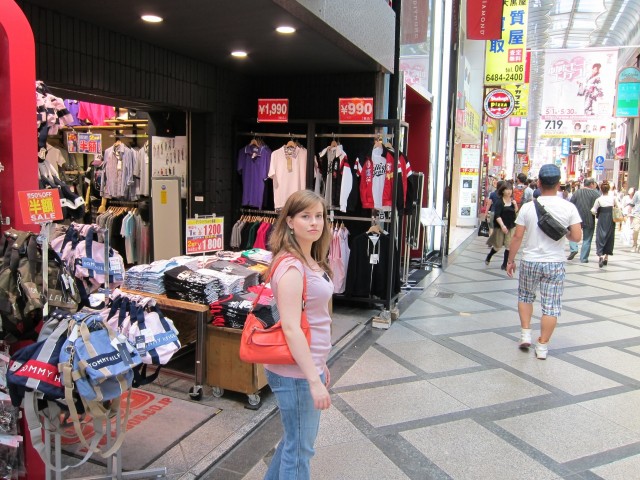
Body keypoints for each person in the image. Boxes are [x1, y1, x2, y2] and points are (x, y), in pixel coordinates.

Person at [264, 189, 333, 479]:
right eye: (306, 216)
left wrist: (320, 364)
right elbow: (291, 327)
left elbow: (315, 319)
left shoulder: (308, 259)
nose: (314, 222)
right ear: (290, 222)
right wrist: (313, 380)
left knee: (294, 444)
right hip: (295, 373)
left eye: (319, 216)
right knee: (301, 450)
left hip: (304, 367)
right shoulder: (292, 266)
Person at [506, 164, 582, 359]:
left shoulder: (528, 207)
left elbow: (517, 237)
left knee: (525, 297)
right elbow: (576, 237)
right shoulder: (568, 207)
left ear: (539, 183)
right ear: (558, 184)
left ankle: (525, 334)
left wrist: (510, 260)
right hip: (555, 263)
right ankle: (542, 347)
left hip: (530, 260)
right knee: (551, 306)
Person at [485, 182, 517, 270]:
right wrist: (502, 226)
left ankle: (504, 264)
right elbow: (497, 215)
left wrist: (515, 204)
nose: (509, 191)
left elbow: (515, 212)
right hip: (500, 226)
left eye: (510, 190)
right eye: (507, 189)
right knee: (498, 246)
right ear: (503, 191)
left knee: (508, 245)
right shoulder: (499, 202)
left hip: (511, 226)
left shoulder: (512, 201)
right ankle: (489, 255)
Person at [567, 178, 601, 262]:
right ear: (592, 184)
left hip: (576, 218)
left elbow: (571, 204)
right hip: (589, 218)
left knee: (572, 234)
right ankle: (584, 258)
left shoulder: (577, 192)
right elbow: (598, 206)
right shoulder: (595, 194)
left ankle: (574, 248)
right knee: (587, 238)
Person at [591, 181, 619, 267]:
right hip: (611, 219)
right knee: (610, 237)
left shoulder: (599, 199)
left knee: (600, 236)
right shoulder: (613, 198)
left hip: (602, 219)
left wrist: (596, 214)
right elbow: (618, 207)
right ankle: (606, 256)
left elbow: (593, 210)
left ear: (601, 190)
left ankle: (600, 256)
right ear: (609, 189)